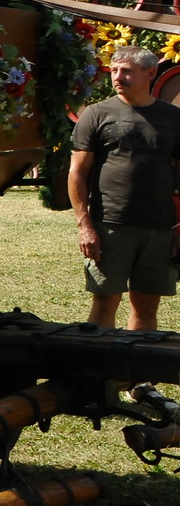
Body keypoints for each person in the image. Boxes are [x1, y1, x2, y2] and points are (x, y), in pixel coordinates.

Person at [68, 46, 180, 331]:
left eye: (127, 71)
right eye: (114, 70)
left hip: (159, 226)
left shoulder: (172, 117)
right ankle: (100, 361)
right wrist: (84, 225)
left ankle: (139, 361)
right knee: (105, 302)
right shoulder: (96, 114)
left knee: (147, 305)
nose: (118, 77)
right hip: (110, 225)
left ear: (151, 73)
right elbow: (77, 172)